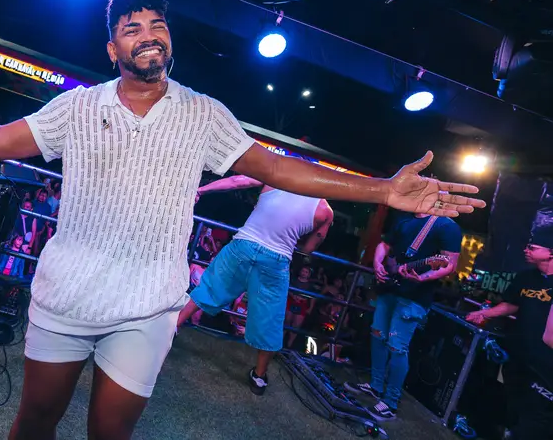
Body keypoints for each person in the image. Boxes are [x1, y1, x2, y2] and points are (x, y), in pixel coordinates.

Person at [0, 0, 484, 440]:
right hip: (66, 297)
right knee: (34, 424)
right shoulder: (77, 107)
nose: (148, 34)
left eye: (157, 25)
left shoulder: (204, 115)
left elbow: (278, 169)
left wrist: (382, 189)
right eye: (132, 28)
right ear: (113, 49)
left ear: (169, 41)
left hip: (147, 308)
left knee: (110, 433)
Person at [178, 175, 333, 395]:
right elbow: (308, 249)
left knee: (209, 287)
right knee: (270, 317)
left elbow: (237, 181)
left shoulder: (277, 177)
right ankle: (259, 376)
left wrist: (202, 190)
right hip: (276, 260)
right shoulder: (325, 211)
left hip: (244, 245)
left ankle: (173, 328)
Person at [344, 212, 463, 421]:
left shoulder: (446, 225)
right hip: (390, 288)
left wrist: (423, 277)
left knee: (397, 347)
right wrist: (378, 263)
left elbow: (449, 265)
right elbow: (385, 245)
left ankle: (390, 402)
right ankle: (376, 386)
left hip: (414, 297)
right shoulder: (404, 217)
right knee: (377, 334)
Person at [466, 242, 553, 439]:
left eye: (532, 247)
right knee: (511, 398)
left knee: (537, 413)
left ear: (551, 253)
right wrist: (484, 313)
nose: (525, 250)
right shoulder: (525, 277)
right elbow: (511, 305)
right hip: (519, 351)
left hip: (545, 362)